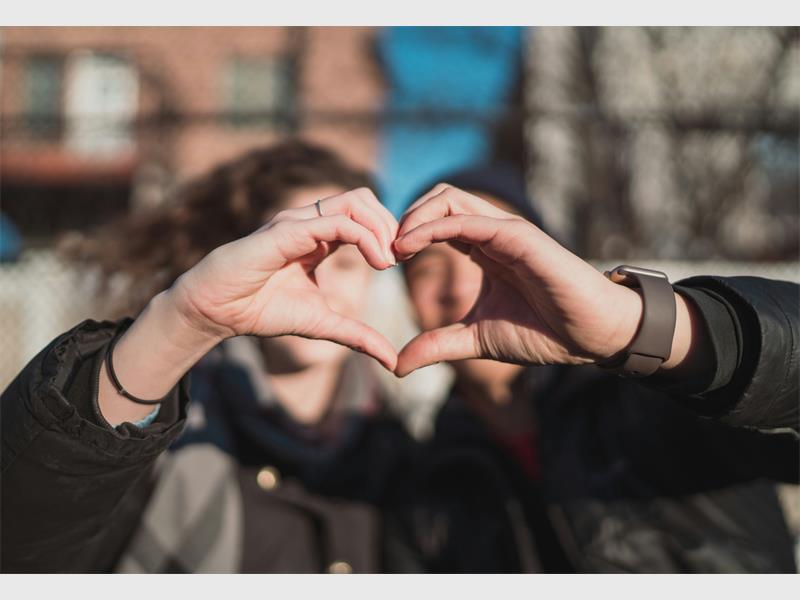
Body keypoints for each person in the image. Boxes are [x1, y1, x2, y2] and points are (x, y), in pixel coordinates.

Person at [0, 141, 420, 573]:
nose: (322, 284)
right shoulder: (161, 422)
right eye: (301, 257)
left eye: (347, 264)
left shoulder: (400, 452)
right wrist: (184, 322)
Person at [390, 164, 799, 572]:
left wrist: (635, 326)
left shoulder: (664, 393)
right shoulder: (423, 485)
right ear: (409, 300)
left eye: (485, 254)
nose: (458, 288)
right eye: (428, 268)